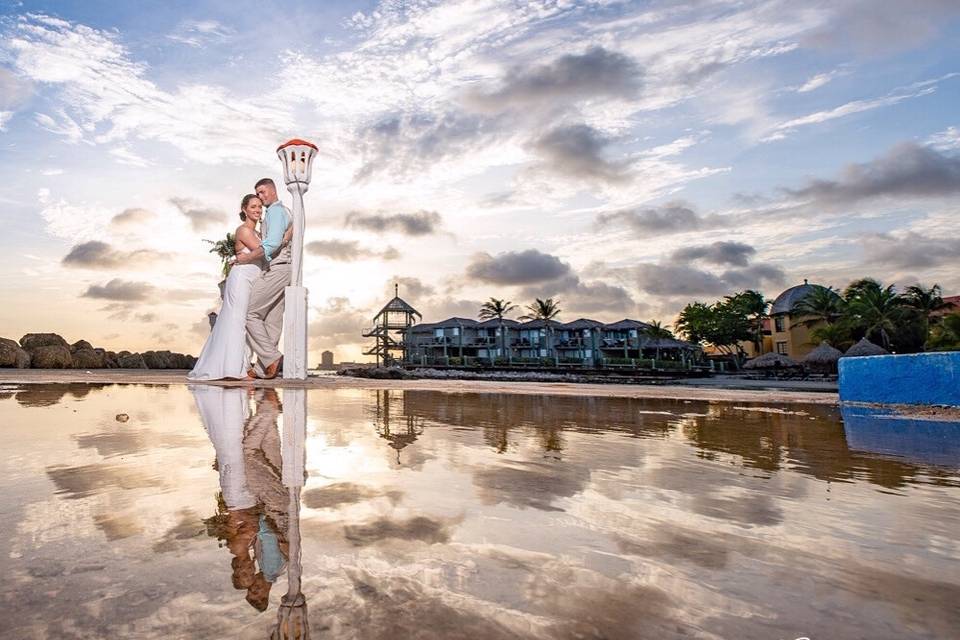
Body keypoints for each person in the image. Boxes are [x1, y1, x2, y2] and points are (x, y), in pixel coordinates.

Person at [188, 195, 267, 381]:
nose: (257, 210)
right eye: (253, 206)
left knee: (244, 322)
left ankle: (242, 365)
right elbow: (265, 252)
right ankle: (233, 369)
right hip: (241, 279)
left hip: (252, 279)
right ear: (244, 209)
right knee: (236, 321)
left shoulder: (258, 233)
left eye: (260, 207)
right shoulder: (244, 231)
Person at [235, 178, 292, 379]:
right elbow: (284, 234)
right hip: (285, 270)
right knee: (273, 321)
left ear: (271, 190)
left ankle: (271, 357)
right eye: (257, 194)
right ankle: (262, 369)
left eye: (261, 192)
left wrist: (247, 258)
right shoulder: (282, 211)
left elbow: (273, 243)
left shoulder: (276, 211)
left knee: (250, 313)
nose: (260, 197)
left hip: (277, 269)